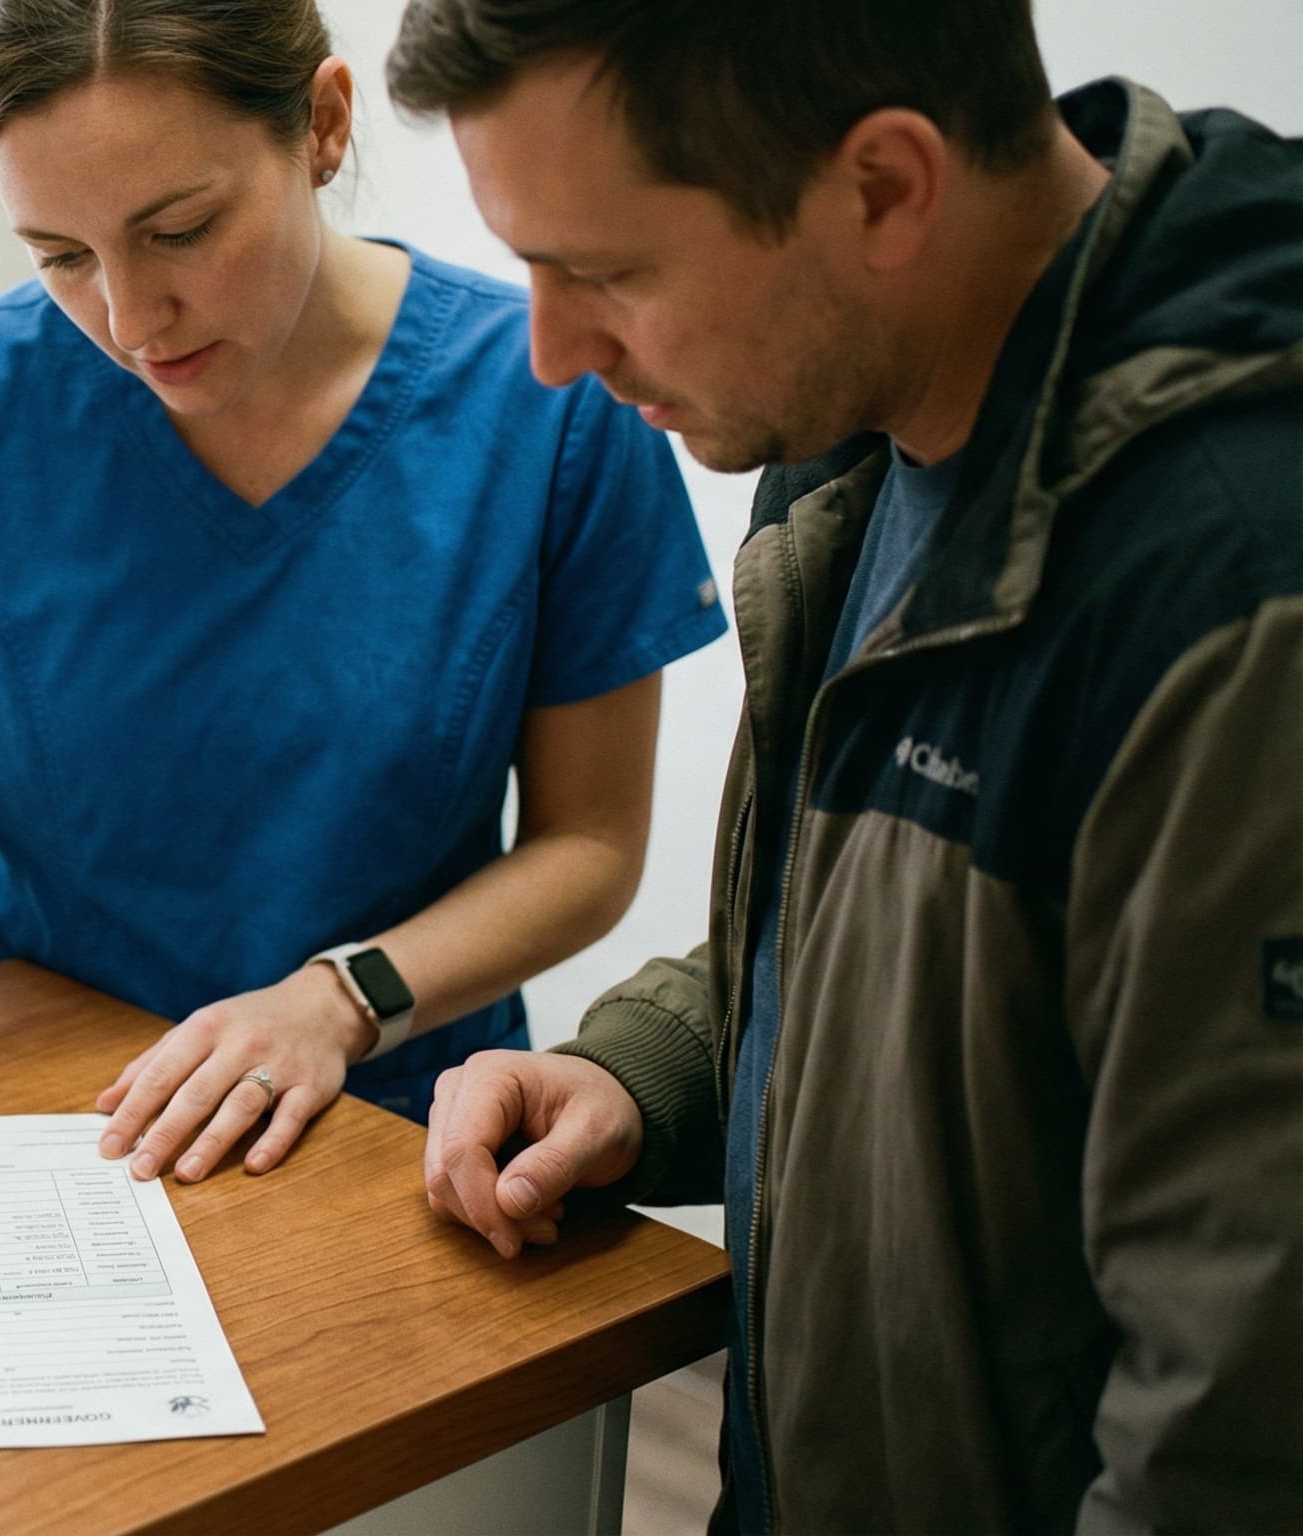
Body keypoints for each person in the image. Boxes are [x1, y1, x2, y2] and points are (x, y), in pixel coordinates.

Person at [384, 2, 1302, 1529]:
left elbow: (1238, 1429)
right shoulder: (854, 418)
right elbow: (881, 937)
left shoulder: (1239, 589)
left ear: (882, 187)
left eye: (605, 273)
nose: (551, 352)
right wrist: (639, 1073)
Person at [0, 0, 725, 1202]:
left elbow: (590, 845)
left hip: (401, 1138)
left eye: (181, 230)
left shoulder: (550, 398)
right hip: (56, 1135)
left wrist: (340, 1001)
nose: (127, 318)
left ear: (321, 124)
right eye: (58, 254)